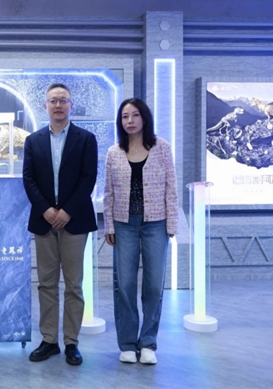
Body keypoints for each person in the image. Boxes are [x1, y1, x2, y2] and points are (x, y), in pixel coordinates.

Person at [23, 83, 98, 366]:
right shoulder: (33, 140)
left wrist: (66, 211)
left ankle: (71, 342)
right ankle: (49, 340)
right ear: (45, 106)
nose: (58, 105)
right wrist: (46, 209)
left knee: (74, 285)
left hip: (75, 220)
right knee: (46, 284)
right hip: (44, 221)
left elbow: (88, 178)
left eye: (63, 100)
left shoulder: (86, 139)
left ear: (71, 105)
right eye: (53, 100)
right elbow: (28, 179)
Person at [103, 98, 178, 365]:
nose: (130, 121)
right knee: (124, 284)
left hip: (156, 223)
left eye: (135, 115)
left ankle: (148, 343)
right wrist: (109, 224)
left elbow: (171, 186)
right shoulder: (114, 152)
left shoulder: (162, 147)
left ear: (144, 118)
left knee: (154, 284)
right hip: (124, 224)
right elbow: (108, 192)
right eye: (125, 116)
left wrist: (172, 223)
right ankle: (126, 343)